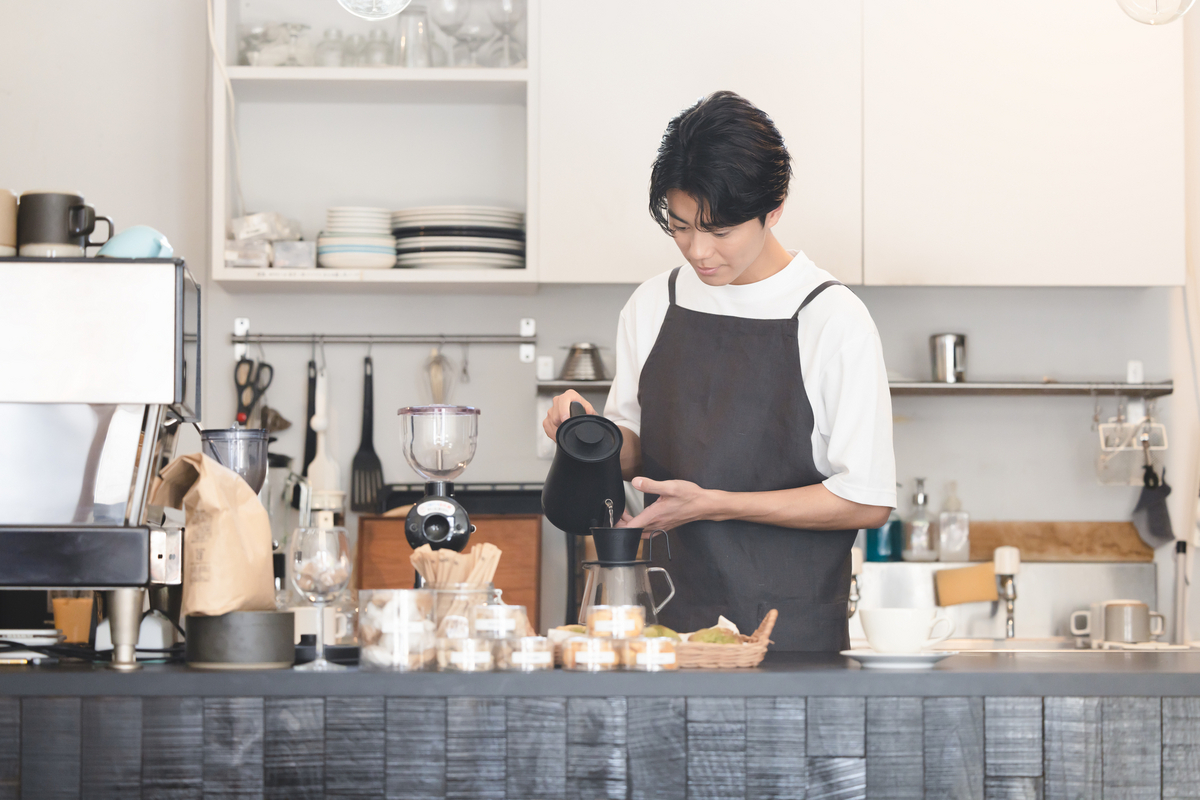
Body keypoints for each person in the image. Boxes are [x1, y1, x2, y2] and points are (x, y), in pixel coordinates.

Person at [543, 91, 896, 651]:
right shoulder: (653, 303)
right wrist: (588, 433)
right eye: (681, 226)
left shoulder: (832, 318)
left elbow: (866, 500)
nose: (698, 251)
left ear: (773, 209)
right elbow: (635, 454)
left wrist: (717, 503)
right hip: (663, 628)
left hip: (790, 638)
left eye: (720, 230)